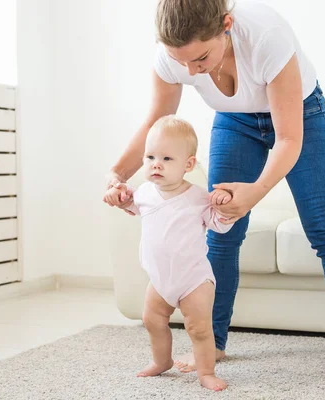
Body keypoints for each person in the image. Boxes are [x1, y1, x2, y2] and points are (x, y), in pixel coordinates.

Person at [104, 0, 325, 390]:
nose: (191, 72)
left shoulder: (265, 36)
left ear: (226, 25)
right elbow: (156, 124)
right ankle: (216, 343)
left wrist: (255, 193)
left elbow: (289, 138)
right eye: (182, 62)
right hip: (234, 121)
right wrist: (117, 174)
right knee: (223, 233)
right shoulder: (173, 54)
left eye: (200, 58)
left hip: (300, 115)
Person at [104, 115, 234, 391]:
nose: (156, 164)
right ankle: (161, 361)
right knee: (152, 320)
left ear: (188, 164)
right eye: (150, 157)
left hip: (194, 279)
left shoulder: (199, 197)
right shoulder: (144, 194)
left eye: (166, 158)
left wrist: (224, 206)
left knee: (198, 329)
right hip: (160, 279)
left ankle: (206, 372)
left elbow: (220, 226)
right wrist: (117, 196)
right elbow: (128, 203)